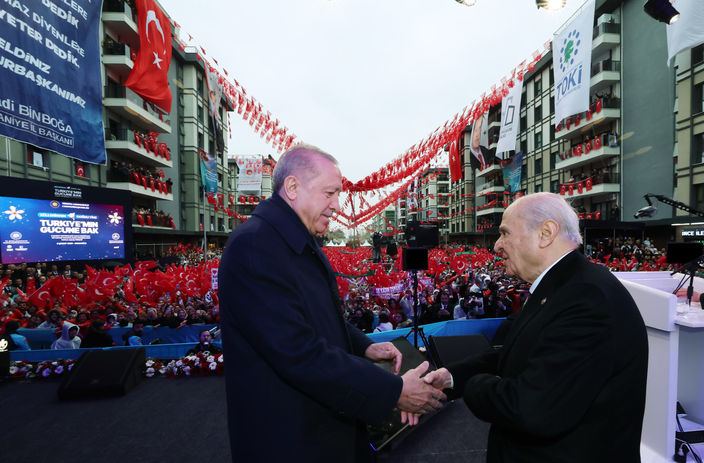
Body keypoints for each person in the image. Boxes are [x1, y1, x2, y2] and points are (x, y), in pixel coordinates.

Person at [219, 144, 445, 463]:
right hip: (289, 439)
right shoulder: (255, 246)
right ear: (293, 187)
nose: (337, 205)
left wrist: (364, 346)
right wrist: (393, 391)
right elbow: (297, 351)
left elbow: (318, 316)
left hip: (322, 428)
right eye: (330, 193)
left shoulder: (297, 242)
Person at [423, 192, 648, 462]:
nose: (497, 246)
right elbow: (520, 351)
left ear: (546, 233)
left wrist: (475, 387)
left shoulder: (586, 298)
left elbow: (532, 409)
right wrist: (452, 377)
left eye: (505, 233)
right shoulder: (566, 286)